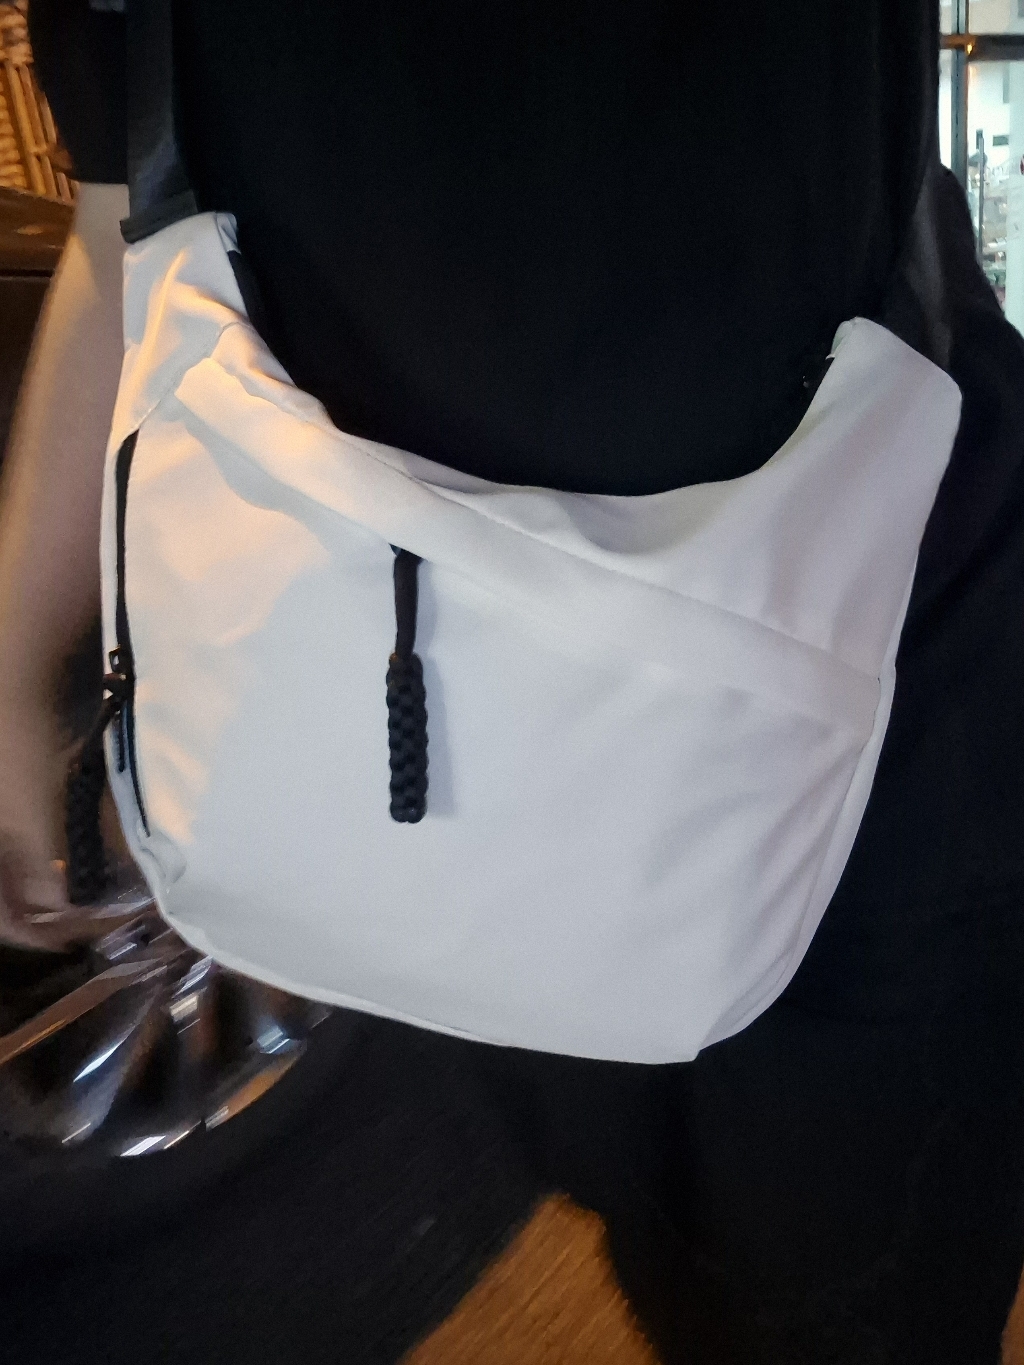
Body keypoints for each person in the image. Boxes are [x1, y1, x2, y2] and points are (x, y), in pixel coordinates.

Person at [0, 2, 1022, 1362]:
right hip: (457, 806)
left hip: (869, 751)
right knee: (667, 1243)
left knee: (850, 1300)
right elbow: (120, 222)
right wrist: (12, 658)